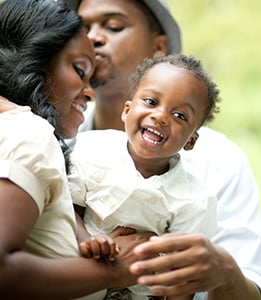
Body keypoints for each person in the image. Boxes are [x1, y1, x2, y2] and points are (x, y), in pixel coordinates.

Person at [66, 0, 261, 299]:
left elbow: (250, 289)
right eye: (82, 28)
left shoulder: (220, 162)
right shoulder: (60, 136)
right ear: (127, 110)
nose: (94, 37)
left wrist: (223, 272)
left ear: (159, 46)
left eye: (113, 26)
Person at [0, 0, 151, 299]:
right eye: (80, 70)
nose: (90, 92)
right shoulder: (27, 131)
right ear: (36, 59)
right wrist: (120, 270)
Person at [69, 54, 220, 300]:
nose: (160, 116)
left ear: (191, 141)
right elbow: (66, 206)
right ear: (127, 111)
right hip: (78, 278)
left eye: (180, 115)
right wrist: (88, 242)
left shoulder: (194, 200)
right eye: (151, 101)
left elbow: (183, 280)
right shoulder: (91, 150)